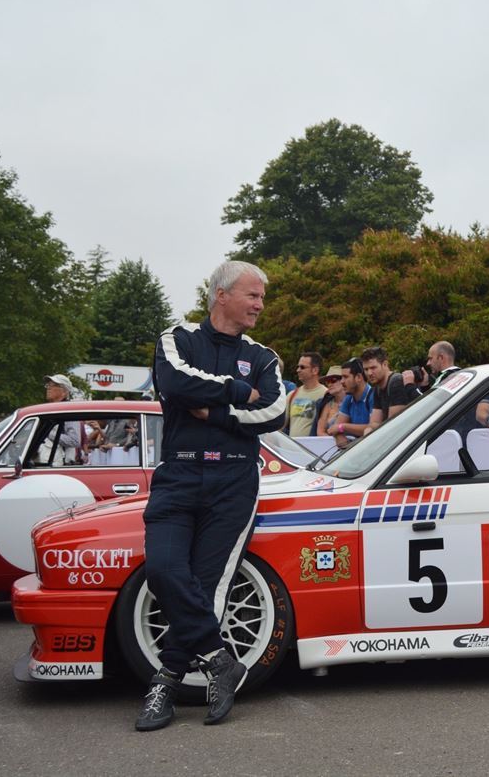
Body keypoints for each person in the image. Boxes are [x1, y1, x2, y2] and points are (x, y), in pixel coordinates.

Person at [135, 260, 285, 732]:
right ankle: (220, 660)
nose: (260, 304)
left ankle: (165, 681)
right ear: (221, 294)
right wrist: (239, 392)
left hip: (235, 482)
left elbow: (275, 413)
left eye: (262, 297)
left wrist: (215, 412)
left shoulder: (265, 356)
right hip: (178, 475)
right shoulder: (176, 340)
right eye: (253, 295)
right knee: (162, 569)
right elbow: (176, 384)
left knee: (207, 586)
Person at [362, 346, 414, 432]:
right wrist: (369, 429)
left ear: (385, 364)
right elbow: (373, 423)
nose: (369, 373)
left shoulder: (396, 382)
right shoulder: (377, 387)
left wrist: (372, 428)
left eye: (373, 368)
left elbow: (392, 426)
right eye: (366, 369)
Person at [329, 358, 375, 442]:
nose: (342, 381)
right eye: (341, 377)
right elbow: (334, 428)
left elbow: (373, 428)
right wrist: (339, 437)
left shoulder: (373, 396)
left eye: (345, 377)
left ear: (358, 377)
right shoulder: (349, 398)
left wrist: (343, 427)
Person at [286, 351, 326, 437]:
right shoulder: (292, 394)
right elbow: (280, 425)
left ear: (315, 370)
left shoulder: (326, 394)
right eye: (298, 367)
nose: (298, 370)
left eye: (302, 367)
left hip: (313, 448)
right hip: (291, 448)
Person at [315, 365, 346, 439]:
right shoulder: (327, 405)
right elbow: (320, 431)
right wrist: (334, 441)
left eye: (333, 380)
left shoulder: (353, 401)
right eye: (327, 382)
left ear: (343, 380)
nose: (329, 384)